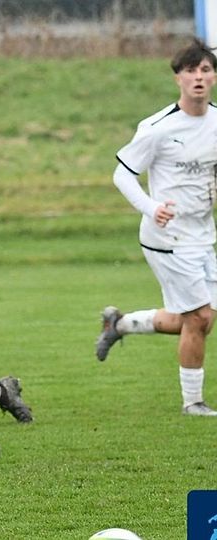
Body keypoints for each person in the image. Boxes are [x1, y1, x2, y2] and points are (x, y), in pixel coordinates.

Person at [95, 39, 217, 417]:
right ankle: (192, 403)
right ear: (178, 77)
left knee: (192, 318)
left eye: (206, 70)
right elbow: (123, 174)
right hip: (166, 238)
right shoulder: (157, 127)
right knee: (200, 317)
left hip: (203, 235)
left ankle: (122, 323)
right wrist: (151, 207)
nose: (198, 77)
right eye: (190, 70)